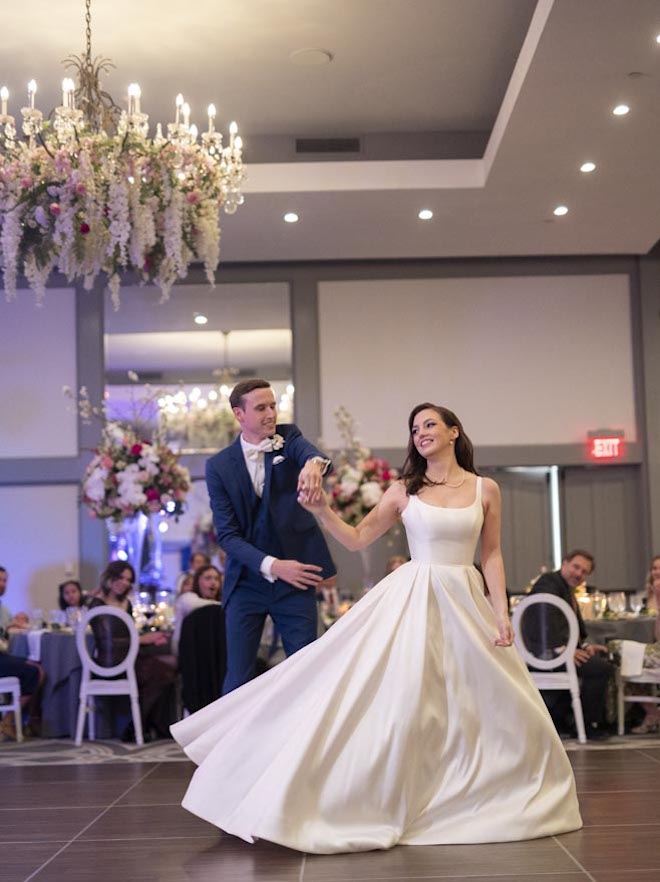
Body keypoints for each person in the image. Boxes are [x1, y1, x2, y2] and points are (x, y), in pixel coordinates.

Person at [171, 402, 581, 853]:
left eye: (429, 425)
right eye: (414, 428)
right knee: (406, 698)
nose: (421, 432)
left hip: (466, 597)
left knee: (485, 696)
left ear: (452, 432)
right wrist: (322, 510)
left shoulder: (486, 488)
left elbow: (492, 555)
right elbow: (357, 537)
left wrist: (500, 610)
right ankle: (386, 793)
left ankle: (481, 789)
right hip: (415, 595)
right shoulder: (405, 488)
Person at [205, 378, 336, 694]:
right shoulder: (218, 466)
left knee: (305, 670)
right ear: (239, 414)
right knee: (238, 678)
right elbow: (228, 536)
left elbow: (310, 454)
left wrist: (313, 467)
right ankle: (232, 743)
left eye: (273, 405)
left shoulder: (287, 437)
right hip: (246, 582)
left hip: (296, 580)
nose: (270, 414)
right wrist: (274, 566)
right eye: (261, 408)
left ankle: (306, 741)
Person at [528, 550, 613, 740]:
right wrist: (563, 650)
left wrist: (582, 647)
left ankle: (577, 720)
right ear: (564, 563)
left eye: (584, 572)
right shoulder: (548, 583)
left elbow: (565, 626)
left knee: (601, 660)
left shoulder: (564, 588)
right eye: (576, 567)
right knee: (601, 669)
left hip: (556, 651)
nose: (578, 574)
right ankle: (585, 724)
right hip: (545, 653)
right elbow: (544, 615)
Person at [89, 561, 177, 740]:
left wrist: (149, 639)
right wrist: (143, 639)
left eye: (128, 580)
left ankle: (144, 725)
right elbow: (109, 643)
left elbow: (128, 634)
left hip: (130, 658)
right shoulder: (97, 604)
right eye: (120, 577)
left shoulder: (126, 604)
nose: (125, 583)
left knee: (172, 663)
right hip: (110, 663)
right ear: (109, 577)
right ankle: (140, 726)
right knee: (164, 672)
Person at [172, 565, 223, 654]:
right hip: (186, 650)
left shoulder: (220, 603)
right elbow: (194, 605)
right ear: (198, 581)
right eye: (208, 578)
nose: (213, 582)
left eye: (217, 579)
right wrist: (225, 606)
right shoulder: (187, 597)